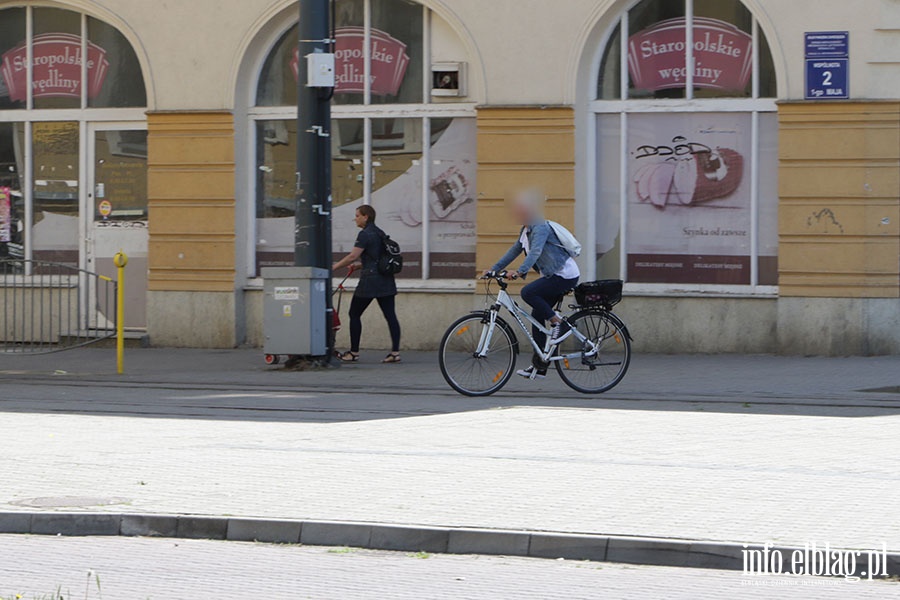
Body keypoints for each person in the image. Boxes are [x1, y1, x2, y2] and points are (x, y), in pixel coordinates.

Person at [486, 190, 580, 379]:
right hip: (553, 275)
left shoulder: (540, 227)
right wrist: (493, 269)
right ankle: (541, 365)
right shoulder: (526, 230)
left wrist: (520, 271)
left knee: (528, 292)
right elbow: (514, 251)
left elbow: (535, 252)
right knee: (537, 318)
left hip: (565, 275)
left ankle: (559, 324)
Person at [332, 205, 402, 363]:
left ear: (366, 217)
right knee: (390, 316)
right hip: (386, 280)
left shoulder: (364, 234)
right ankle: (395, 353)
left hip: (369, 282)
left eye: (357, 215)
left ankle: (354, 353)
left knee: (354, 314)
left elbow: (352, 256)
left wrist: (334, 268)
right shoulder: (380, 232)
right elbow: (377, 259)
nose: (355, 218)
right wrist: (359, 266)